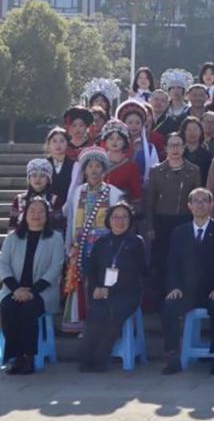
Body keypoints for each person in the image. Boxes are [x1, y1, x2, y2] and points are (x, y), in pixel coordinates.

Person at [161, 188, 214, 375]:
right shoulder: (179, 232)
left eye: (205, 201)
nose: (200, 205)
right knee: (169, 306)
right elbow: (172, 263)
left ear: (211, 205)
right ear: (189, 206)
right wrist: (174, 287)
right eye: (196, 201)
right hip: (187, 291)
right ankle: (172, 356)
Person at [79, 202, 146, 372]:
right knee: (96, 312)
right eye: (116, 217)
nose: (120, 221)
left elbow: (138, 272)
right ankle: (85, 358)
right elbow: (91, 270)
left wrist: (110, 290)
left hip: (127, 293)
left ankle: (100, 358)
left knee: (113, 312)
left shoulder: (136, 242)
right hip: (102, 292)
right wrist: (96, 287)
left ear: (130, 221)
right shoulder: (101, 242)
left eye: (124, 217)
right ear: (109, 220)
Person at [0, 197, 64, 375]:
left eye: (40, 211)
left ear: (47, 215)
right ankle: (15, 357)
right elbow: (3, 264)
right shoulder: (13, 238)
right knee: (8, 307)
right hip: (13, 290)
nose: (36, 215)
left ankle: (29, 356)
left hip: (43, 291)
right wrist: (16, 289)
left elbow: (56, 267)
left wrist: (32, 291)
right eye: (32, 211)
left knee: (28, 309)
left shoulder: (55, 238)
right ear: (25, 214)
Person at [63, 146, 124, 332]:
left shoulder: (114, 193)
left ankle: (102, 326)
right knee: (82, 285)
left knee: (102, 284)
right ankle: (83, 324)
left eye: (98, 166)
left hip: (106, 249)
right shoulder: (77, 192)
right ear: (84, 170)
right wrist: (70, 245)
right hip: (81, 247)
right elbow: (71, 220)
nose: (94, 170)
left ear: (104, 169)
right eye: (90, 166)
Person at [144, 133, 202, 299]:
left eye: (178, 145)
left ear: (184, 148)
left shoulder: (194, 170)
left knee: (185, 259)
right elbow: (150, 202)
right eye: (171, 145)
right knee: (162, 260)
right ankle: (161, 296)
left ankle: (184, 295)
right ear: (165, 148)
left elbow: (198, 199)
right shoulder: (156, 171)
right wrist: (150, 226)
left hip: (185, 220)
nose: (175, 149)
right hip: (162, 222)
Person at [9, 159, 60, 235]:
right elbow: (12, 226)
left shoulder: (55, 200)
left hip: (47, 239)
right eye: (34, 175)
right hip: (23, 239)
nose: (38, 179)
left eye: (42, 176)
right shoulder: (19, 199)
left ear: (48, 179)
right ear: (29, 179)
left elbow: (59, 228)